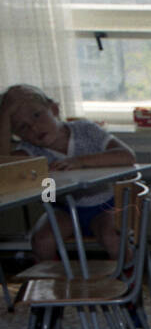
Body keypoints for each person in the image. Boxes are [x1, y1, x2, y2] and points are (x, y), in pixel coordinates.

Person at [0, 84, 135, 263]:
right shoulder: (29, 150)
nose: (34, 127)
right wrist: (4, 116)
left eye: (37, 115)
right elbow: (3, 166)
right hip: (63, 211)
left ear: (54, 109)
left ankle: (127, 275)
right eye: (23, 127)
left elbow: (127, 156)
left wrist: (80, 161)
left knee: (113, 238)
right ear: (16, 134)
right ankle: (55, 277)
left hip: (104, 206)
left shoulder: (85, 130)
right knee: (41, 241)